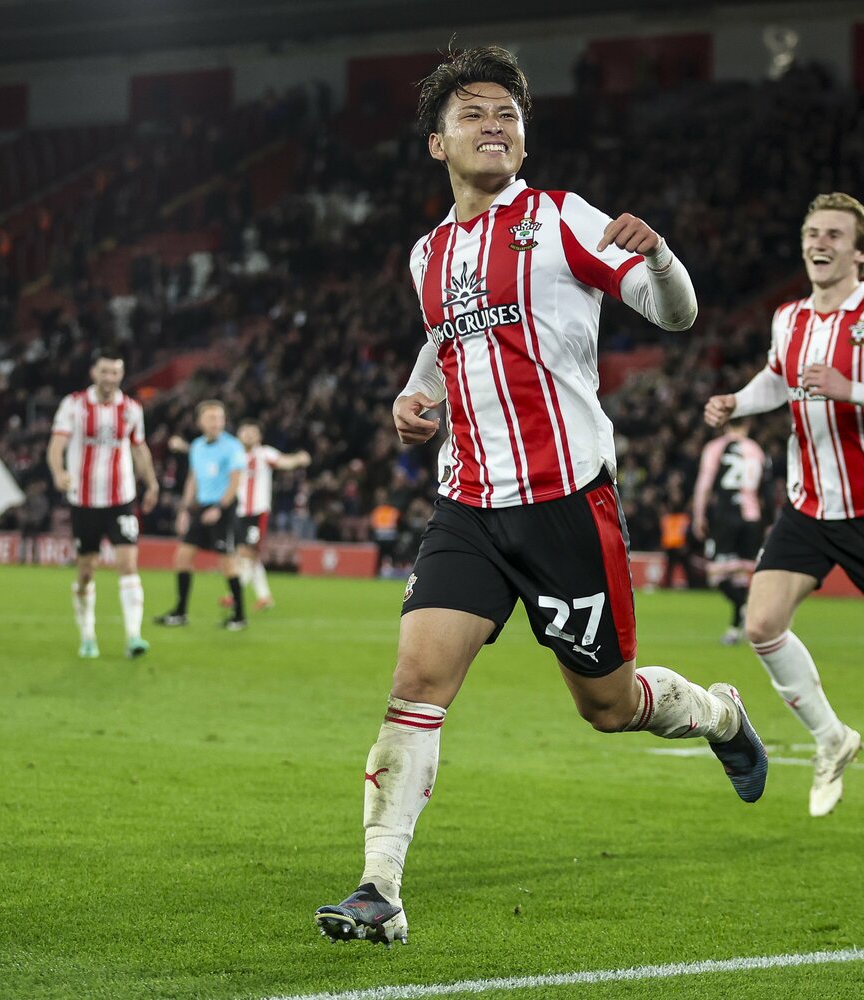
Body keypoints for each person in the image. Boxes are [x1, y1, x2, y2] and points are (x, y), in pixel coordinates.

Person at [313, 45, 766, 947]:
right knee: (416, 682)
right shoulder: (427, 255)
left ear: (523, 138)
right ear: (437, 143)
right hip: (469, 506)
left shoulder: (561, 219)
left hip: (566, 504)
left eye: (508, 115)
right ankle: (379, 887)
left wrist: (660, 255)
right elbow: (445, 340)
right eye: (473, 113)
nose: (494, 125)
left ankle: (719, 714)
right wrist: (416, 395)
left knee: (608, 707)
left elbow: (674, 313)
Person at [704, 192, 864, 829]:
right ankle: (831, 738)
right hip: (808, 507)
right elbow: (778, 378)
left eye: (834, 235)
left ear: (862, 253)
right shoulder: (789, 318)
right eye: (812, 233)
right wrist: (739, 402)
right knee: (762, 624)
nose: (819, 243)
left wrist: (854, 390)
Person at [46, 349, 160, 659]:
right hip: (84, 500)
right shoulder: (74, 405)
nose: (110, 378)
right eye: (104, 371)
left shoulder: (131, 408)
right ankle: (87, 635)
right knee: (86, 572)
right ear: (94, 373)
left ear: (121, 375)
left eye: (115, 372)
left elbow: (139, 448)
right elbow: (56, 444)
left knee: (128, 564)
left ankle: (134, 636)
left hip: (120, 498)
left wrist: (151, 482)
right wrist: (59, 473)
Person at [154, 400, 248, 630]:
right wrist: (185, 510)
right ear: (200, 422)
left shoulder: (232, 446)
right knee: (182, 557)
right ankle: (180, 612)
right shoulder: (197, 446)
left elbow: (235, 481)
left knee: (227, 562)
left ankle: (239, 616)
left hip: (224, 508)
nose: (216, 422)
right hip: (202, 507)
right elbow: (193, 480)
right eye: (211, 418)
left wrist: (219, 508)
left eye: (220, 418)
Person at [203, 421, 309, 612]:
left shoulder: (264, 454)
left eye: (253, 432)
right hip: (238, 511)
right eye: (245, 432)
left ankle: (234, 595)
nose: (249, 435)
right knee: (250, 556)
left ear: (259, 437)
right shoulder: (234, 455)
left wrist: (299, 459)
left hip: (257, 513)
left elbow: (284, 462)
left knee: (246, 553)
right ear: (239, 435)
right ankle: (264, 597)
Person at [692, 420, 768, 645]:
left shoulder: (715, 447)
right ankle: (735, 629)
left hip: (726, 518)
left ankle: (744, 608)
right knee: (740, 578)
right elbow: (767, 487)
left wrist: (699, 515)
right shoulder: (756, 449)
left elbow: (704, 484)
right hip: (752, 518)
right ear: (747, 424)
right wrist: (768, 521)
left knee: (716, 575)